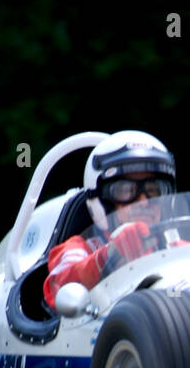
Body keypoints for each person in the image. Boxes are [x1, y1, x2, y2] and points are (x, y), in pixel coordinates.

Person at [42, 131, 177, 309]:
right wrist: (110, 253)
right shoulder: (81, 248)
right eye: (126, 190)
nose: (144, 201)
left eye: (154, 190)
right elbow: (60, 286)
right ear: (102, 202)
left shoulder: (173, 246)